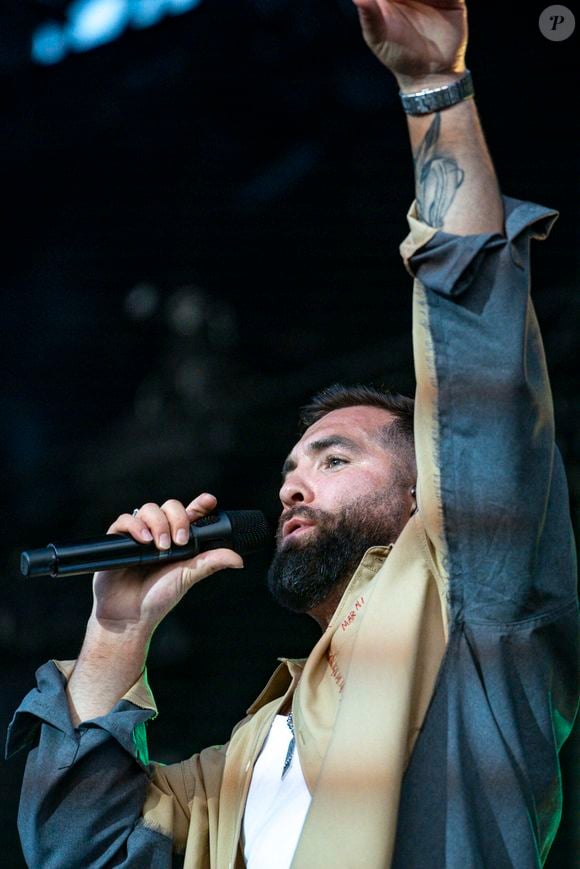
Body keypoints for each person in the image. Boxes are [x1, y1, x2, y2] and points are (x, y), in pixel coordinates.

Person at [7, 1, 578, 867]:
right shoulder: (245, 758)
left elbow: (480, 369)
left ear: (429, 491)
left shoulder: (477, 626)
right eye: (290, 465)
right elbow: (75, 845)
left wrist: (434, 89)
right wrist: (116, 633)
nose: (290, 485)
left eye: (335, 456)